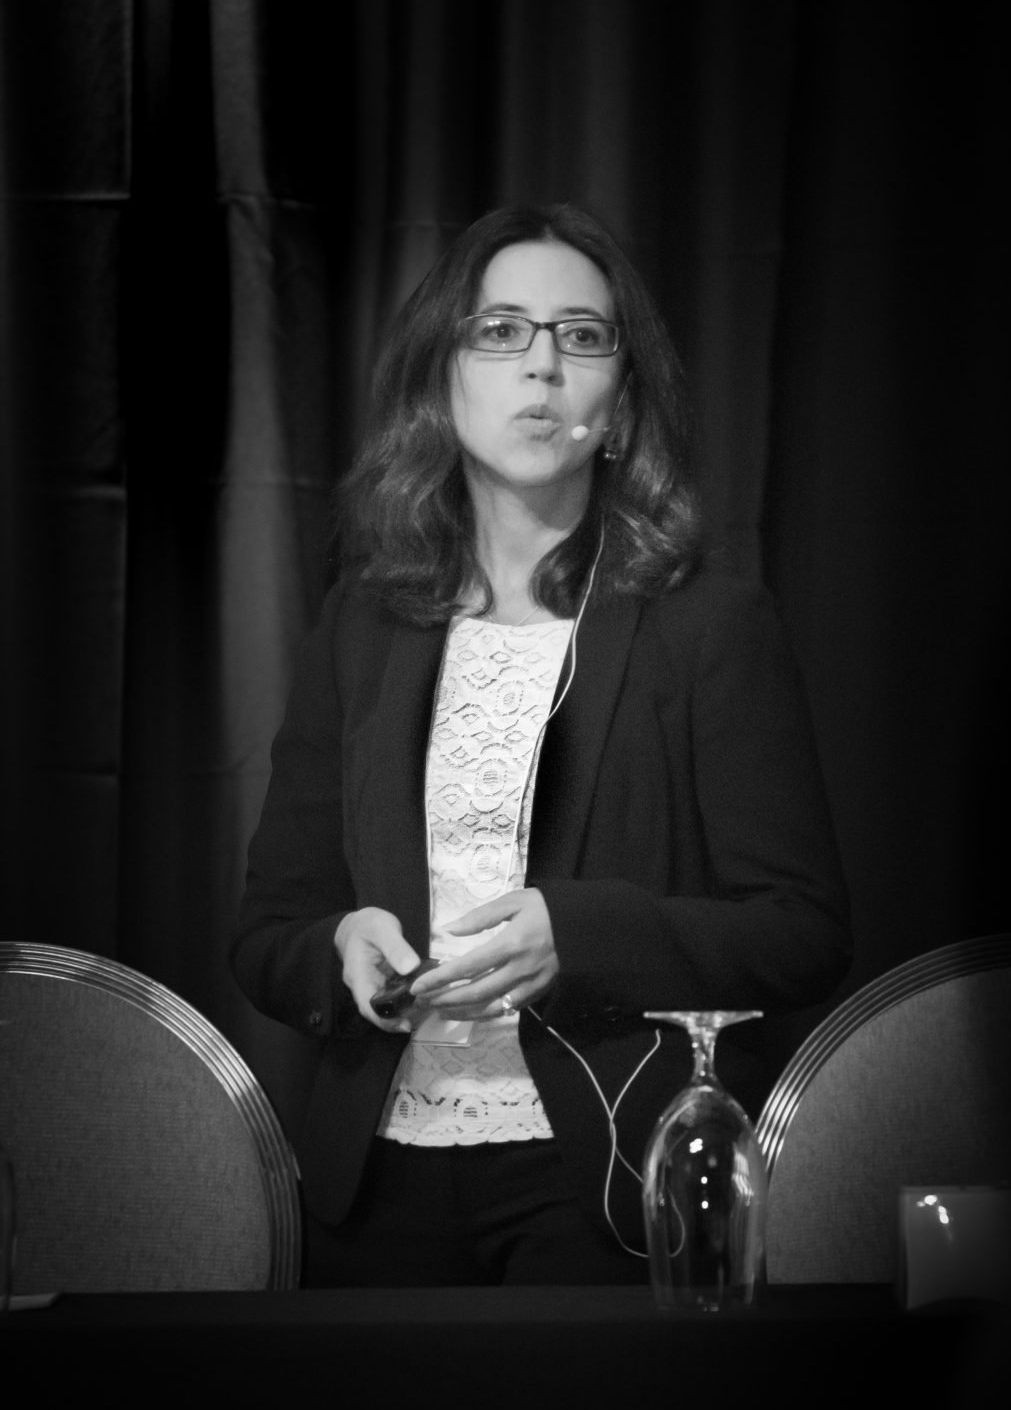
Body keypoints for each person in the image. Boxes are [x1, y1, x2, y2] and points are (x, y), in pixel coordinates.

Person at [231, 202, 851, 1286]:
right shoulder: (363, 625)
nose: (543, 364)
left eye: (583, 335)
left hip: (601, 1177)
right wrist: (339, 945)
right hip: (372, 1181)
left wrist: (582, 935)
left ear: (620, 406)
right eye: (501, 330)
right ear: (441, 381)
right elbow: (267, 933)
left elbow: (802, 932)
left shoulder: (710, 627)